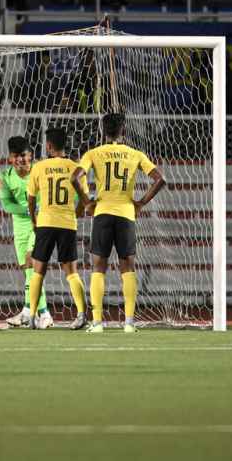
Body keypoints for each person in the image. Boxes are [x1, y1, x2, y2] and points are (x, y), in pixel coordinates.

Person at [71, 113, 165, 332]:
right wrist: (141, 202)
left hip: (102, 213)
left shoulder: (94, 153)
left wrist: (87, 202)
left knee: (98, 267)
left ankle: (96, 323)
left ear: (103, 131)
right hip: (126, 214)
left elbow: (75, 178)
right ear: (123, 130)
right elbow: (160, 179)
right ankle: (129, 322)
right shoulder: (135, 154)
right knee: (128, 267)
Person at [27, 127, 88, 330]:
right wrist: (76, 213)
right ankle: (81, 314)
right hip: (67, 223)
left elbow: (31, 198)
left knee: (38, 270)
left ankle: (32, 316)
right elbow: (84, 199)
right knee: (71, 271)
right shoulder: (76, 167)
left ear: (49, 146)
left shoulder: (39, 167)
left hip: (45, 222)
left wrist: (35, 220)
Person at [0, 136, 51, 327]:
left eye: (24, 155)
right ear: (11, 158)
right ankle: (42, 313)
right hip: (19, 227)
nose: (21, 160)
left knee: (32, 262)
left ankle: (31, 312)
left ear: (31, 155)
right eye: (16, 156)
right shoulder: (4, 176)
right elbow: (7, 205)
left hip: (39, 224)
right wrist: (28, 209)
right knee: (29, 271)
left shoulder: (40, 171)